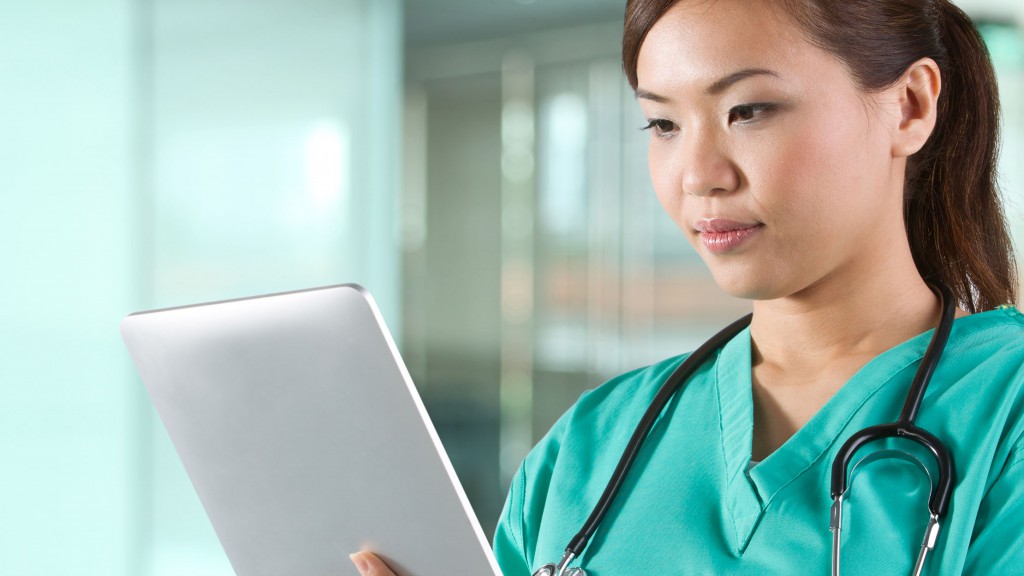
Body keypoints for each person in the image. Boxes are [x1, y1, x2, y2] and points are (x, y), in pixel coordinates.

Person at [352, 0, 1023, 573]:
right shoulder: (592, 445)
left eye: (749, 110)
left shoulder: (1005, 413)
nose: (699, 175)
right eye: (664, 124)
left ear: (909, 106)